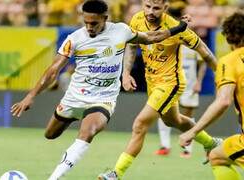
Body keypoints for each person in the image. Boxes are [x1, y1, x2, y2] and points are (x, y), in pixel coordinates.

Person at [11, 0, 188, 179]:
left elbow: (151, 37)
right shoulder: (75, 39)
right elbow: (53, 71)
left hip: (103, 99)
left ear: (105, 18)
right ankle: (71, 117)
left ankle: (54, 177)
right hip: (74, 97)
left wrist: (179, 27)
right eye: (86, 22)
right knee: (50, 134)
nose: (89, 27)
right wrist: (31, 96)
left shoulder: (121, 31)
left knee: (87, 132)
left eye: (94, 23)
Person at [98, 0, 221, 179]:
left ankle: (116, 173)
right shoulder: (137, 20)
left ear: (165, 8)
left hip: (171, 82)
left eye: (156, 8)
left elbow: (206, 53)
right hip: (152, 82)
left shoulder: (177, 28)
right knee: (175, 121)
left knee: (139, 124)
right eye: (147, 6)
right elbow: (132, 46)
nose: (150, 12)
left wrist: (224, 79)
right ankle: (211, 143)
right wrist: (125, 73)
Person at [179, 11, 244, 180]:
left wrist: (193, 131)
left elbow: (223, 101)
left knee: (216, 157)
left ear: (229, 36)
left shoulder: (230, 61)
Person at [154, 3, 207, 158]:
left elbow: (203, 62)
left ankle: (187, 149)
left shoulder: (191, 40)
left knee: (187, 115)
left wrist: (199, 81)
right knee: (163, 112)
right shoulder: (166, 39)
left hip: (190, 85)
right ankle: (164, 145)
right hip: (170, 83)